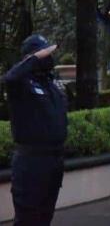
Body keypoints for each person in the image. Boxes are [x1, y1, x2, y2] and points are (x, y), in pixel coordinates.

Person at [2, 34, 67, 226]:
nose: (48, 57)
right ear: (30, 58)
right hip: (31, 163)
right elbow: (10, 78)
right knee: (27, 220)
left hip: (53, 162)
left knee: (44, 218)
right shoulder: (21, 84)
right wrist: (33, 59)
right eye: (42, 53)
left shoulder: (51, 85)